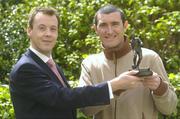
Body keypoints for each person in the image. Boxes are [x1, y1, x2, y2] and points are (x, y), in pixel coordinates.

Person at [9, 7, 143, 119]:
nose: (48, 34)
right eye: (42, 28)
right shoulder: (26, 68)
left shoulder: (48, 64)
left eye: (53, 29)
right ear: (29, 30)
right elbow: (63, 98)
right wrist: (114, 85)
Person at [78, 4, 177, 119]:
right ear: (95, 29)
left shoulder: (150, 58)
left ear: (125, 25)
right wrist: (115, 87)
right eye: (103, 25)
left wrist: (160, 87)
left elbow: (169, 108)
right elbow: (85, 109)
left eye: (115, 24)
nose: (109, 31)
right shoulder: (90, 64)